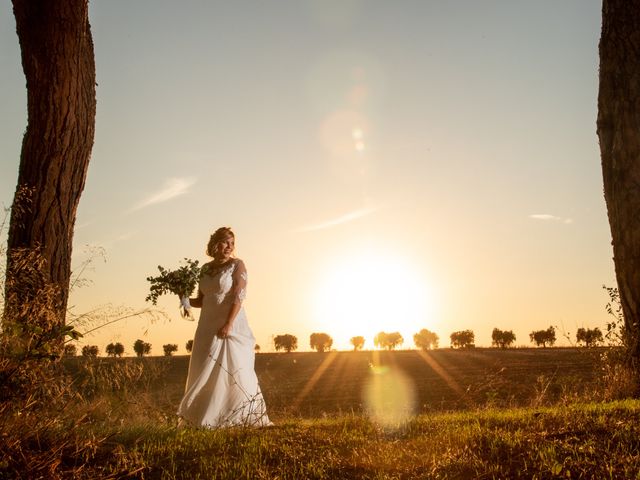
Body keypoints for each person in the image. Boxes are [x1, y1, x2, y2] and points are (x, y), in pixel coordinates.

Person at [177, 227, 271, 427]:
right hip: (206, 325)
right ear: (214, 244)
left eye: (232, 243)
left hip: (230, 323)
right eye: (224, 242)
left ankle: (236, 416)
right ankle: (201, 418)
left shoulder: (237, 265)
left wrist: (229, 324)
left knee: (232, 368)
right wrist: (183, 296)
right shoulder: (204, 269)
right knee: (203, 367)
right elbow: (202, 300)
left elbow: (239, 295)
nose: (228, 247)